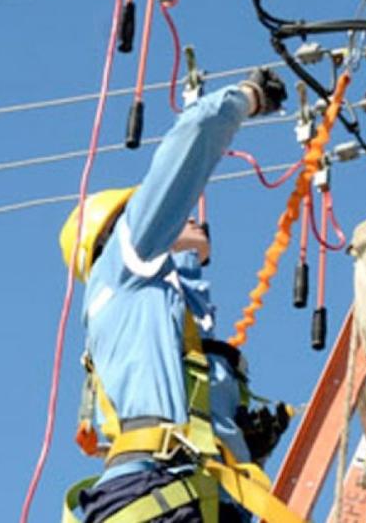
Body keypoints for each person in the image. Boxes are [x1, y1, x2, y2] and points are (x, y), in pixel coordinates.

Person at [58, 69, 295, 523]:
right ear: (118, 227)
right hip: (161, 493)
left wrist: (237, 440)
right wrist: (249, 96)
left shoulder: (142, 311)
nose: (189, 219)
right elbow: (196, 134)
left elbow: (188, 330)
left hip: (182, 496)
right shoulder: (127, 255)